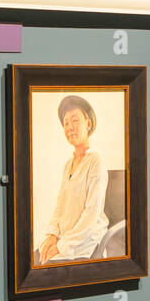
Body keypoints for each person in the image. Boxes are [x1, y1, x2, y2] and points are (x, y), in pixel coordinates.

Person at [36, 96, 109, 264]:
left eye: (75, 121)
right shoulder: (68, 164)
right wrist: (52, 235)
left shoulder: (96, 161)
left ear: (88, 124)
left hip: (84, 241)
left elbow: (91, 215)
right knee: (37, 255)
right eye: (65, 123)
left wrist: (61, 246)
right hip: (65, 236)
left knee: (44, 269)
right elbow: (60, 205)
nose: (69, 127)